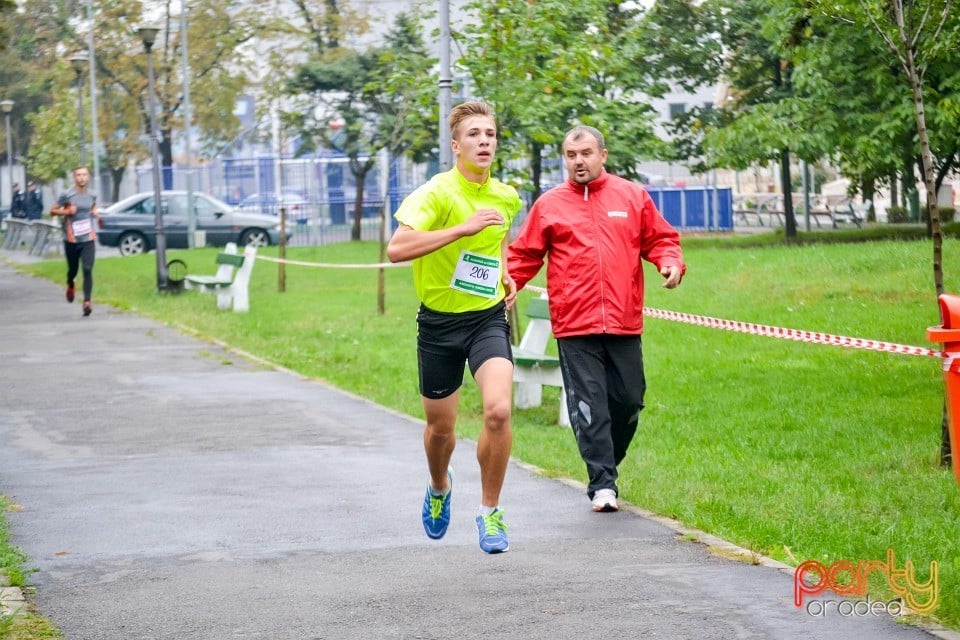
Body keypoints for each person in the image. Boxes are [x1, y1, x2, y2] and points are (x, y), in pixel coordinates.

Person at [508, 125, 686, 513]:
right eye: (571, 156)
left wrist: (670, 263)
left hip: (624, 320)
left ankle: (606, 463)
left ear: (602, 155)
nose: (578, 161)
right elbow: (523, 256)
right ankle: (602, 483)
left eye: (586, 153)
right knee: (591, 405)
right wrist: (505, 288)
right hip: (574, 324)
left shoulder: (631, 195)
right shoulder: (550, 204)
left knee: (628, 401)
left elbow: (660, 240)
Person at [386, 101, 522, 554]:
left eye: (491, 134)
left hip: (485, 318)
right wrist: (460, 229)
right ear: (456, 145)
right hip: (439, 324)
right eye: (474, 135)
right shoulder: (436, 193)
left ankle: (490, 513)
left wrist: (505, 273)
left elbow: (497, 243)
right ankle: (440, 486)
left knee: (498, 411)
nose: (485, 141)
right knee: (441, 431)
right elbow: (397, 248)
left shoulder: (506, 196)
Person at [50, 166, 98, 317]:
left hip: (88, 238)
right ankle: (71, 283)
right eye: (78, 175)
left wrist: (95, 211)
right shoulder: (67, 194)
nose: (81, 177)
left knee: (88, 268)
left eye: (84, 175)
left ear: (88, 177)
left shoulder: (93, 194)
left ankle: (87, 302)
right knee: (73, 270)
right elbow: (52, 210)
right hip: (71, 239)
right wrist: (66, 212)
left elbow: (93, 206)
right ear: (74, 177)